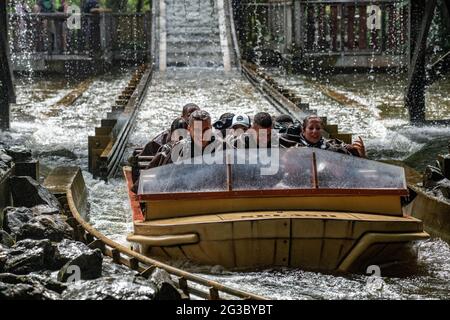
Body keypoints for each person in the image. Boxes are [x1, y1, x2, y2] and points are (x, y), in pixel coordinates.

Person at [147, 110, 216, 169]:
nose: (202, 135)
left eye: (206, 130)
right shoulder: (179, 149)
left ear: (211, 128)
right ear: (189, 130)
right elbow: (164, 179)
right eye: (197, 131)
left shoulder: (220, 146)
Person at [298, 115, 366, 158]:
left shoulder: (334, 145)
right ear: (303, 131)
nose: (315, 131)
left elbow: (356, 166)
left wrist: (361, 155)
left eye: (318, 128)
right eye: (311, 128)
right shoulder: (295, 147)